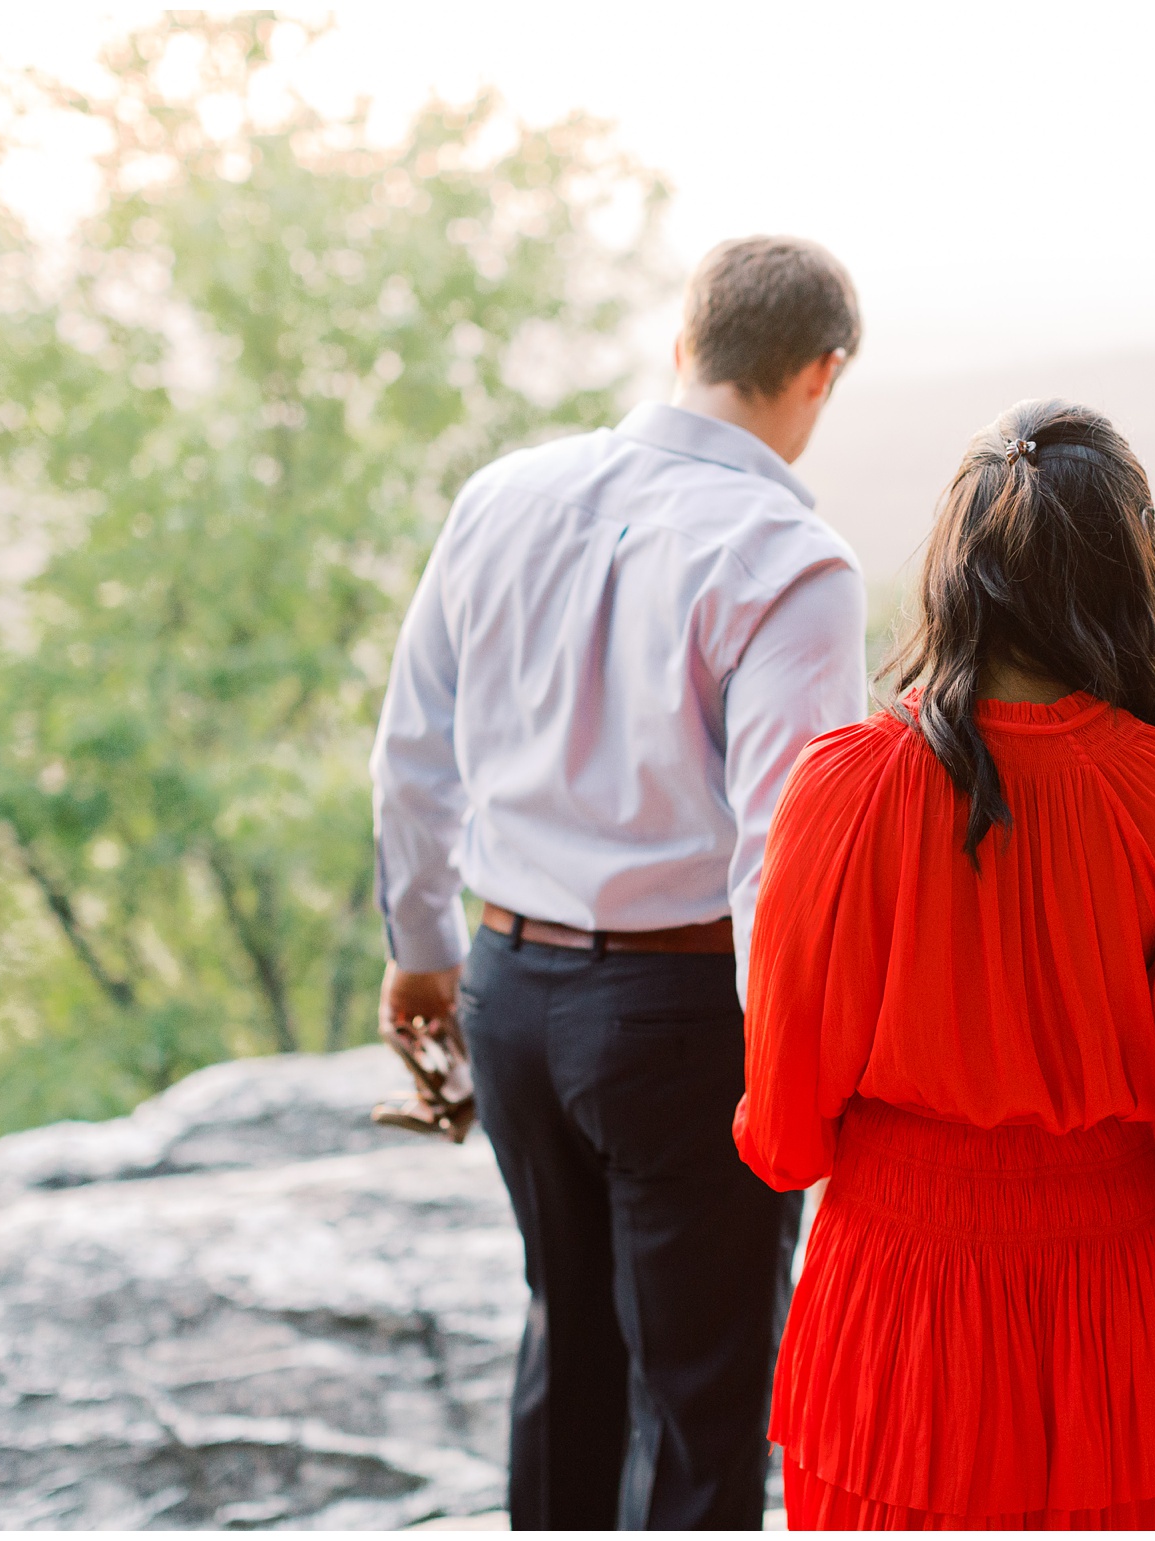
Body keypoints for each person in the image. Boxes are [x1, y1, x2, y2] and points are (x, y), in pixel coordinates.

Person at [370, 236, 869, 1530]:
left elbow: (413, 748)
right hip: (687, 1022)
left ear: (682, 343)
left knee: (570, 1340)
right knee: (709, 1399)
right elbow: (783, 850)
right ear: (820, 376)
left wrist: (423, 950)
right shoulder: (791, 563)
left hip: (507, 990)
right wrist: (800, 1068)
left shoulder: (502, 495)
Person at [734, 399, 1155, 1529]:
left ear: (955, 565)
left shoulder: (838, 785)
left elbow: (784, 1131)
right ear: (1123, 571)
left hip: (891, 1307)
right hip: (1112, 1314)